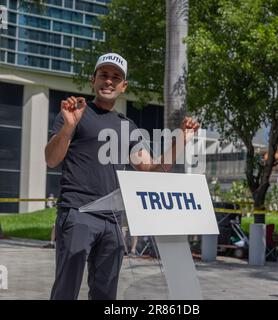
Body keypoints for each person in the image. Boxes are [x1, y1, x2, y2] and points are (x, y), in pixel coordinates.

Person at [45, 52, 199, 300]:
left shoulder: (127, 127)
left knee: (106, 295)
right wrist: (68, 127)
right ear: (93, 79)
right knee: (66, 291)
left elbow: (150, 170)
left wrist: (180, 140)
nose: (109, 81)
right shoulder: (76, 114)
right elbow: (52, 159)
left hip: (113, 222)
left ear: (123, 86)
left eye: (116, 77)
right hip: (78, 214)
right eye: (104, 75)